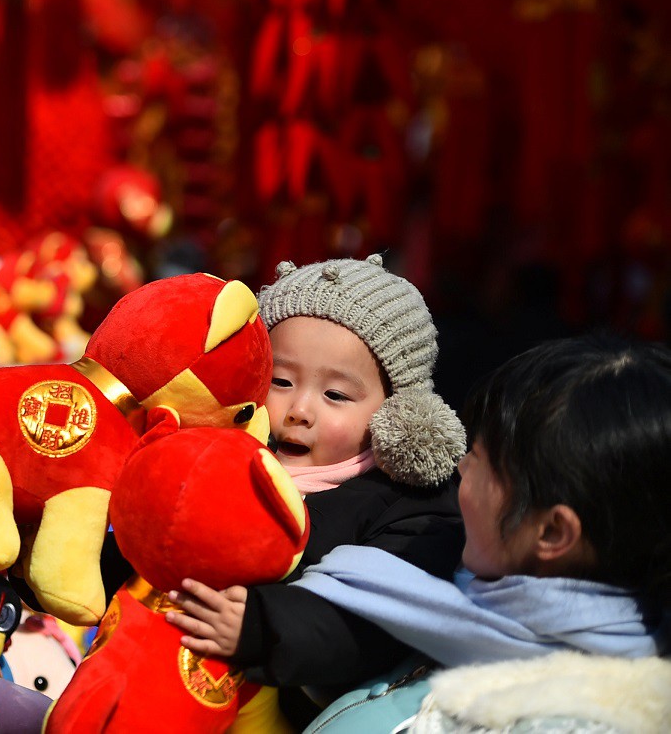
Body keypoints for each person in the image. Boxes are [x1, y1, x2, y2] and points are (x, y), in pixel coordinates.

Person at [292, 335, 671, 733]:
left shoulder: (567, 723)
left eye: (481, 461)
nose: (461, 469)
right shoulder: (459, 610)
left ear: (553, 532)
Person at [165, 255, 468, 727]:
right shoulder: (221, 457)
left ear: (396, 414)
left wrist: (261, 626)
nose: (299, 409)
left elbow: (370, 624)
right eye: (280, 381)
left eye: (336, 396)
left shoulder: (412, 510)